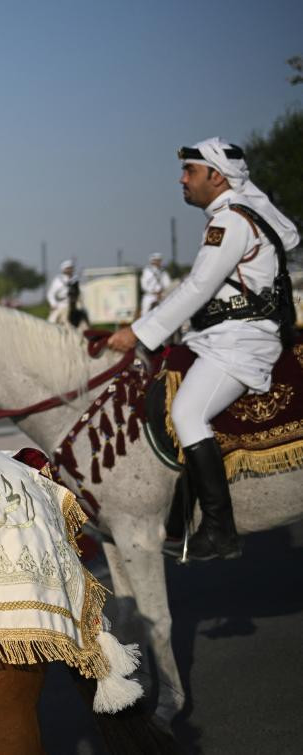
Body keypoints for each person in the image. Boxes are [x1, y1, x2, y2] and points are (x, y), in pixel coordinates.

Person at [108, 138, 299, 561]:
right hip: (221, 336)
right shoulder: (232, 216)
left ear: (216, 176)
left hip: (241, 341)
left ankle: (219, 529)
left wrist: (139, 333)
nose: (182, 179)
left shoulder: (230, 221)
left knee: (186, 413)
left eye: (190, 171)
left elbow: (199, 287)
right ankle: (178, 519)